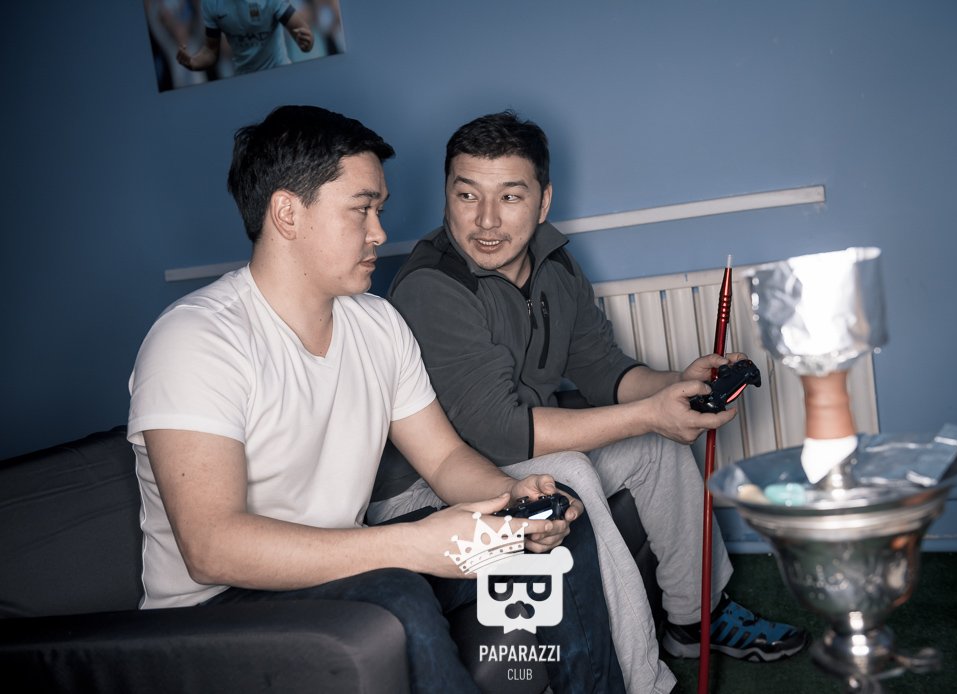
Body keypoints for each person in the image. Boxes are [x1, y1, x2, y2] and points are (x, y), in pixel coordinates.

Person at [127, 105, 624, 694]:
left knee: (549, 530)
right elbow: (212, 548)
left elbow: (443, 458)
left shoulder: (377, 323)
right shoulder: (197, 338)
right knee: (394, 593)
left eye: (379, 210)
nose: (380, 232)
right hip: (213, 615)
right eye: (361, 209)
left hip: (341, 569)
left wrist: (510, 500)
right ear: (287, 213)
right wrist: (413, 546)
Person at [375, 111, 810, 676]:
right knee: (572, 474)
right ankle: (642, 683)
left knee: (655, 446)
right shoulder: (432, 286)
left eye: (510, 196)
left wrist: (680, 383)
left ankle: (696, 619)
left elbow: (604, 370)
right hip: (431, 484)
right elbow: (499, 433)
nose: (486, 220)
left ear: (543, 201)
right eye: (467, 195)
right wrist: (648, 414)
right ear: (447, 196)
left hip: (512, 451)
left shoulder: (554, 262)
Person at [176, 0, 314, 76]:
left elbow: (300, 28)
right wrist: (193, 62)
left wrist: (307, 41)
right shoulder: (211, 4)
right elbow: (211, 50)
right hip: (244, 79)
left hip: (279, 71)